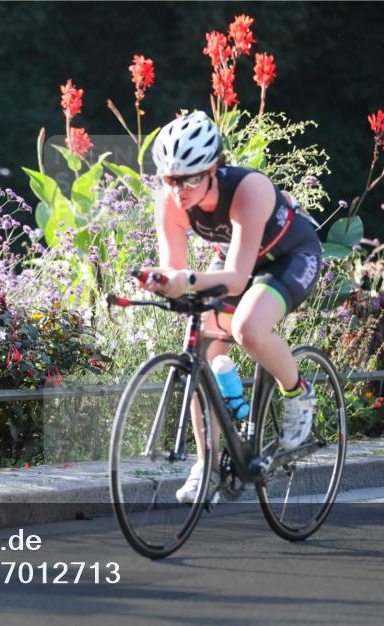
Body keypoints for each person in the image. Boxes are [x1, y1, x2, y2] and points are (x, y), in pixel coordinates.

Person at [139, 111, 323, 503]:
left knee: (248, 328)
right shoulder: (171, 202)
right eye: (170, 179)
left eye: (189, 178)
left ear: (213, 168)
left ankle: (298, 393)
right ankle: (206, 464)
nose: (178, 189)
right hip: (237, 260)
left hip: (288, 256)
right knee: (201, 348)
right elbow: (176, 271)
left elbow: (238, 279)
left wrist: (185, 280)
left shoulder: (248, 188)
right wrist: (160, 281)